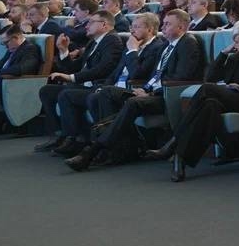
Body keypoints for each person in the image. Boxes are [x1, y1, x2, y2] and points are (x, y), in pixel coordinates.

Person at [68, 9, 207, 170]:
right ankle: (118, 149)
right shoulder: (166, 46)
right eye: (163, 23)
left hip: (167, 96)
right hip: (149, 91)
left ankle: (95, 150)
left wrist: (150, 92)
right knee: (106, 92)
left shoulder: (188, 43)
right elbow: (155, 75)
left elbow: (181, 78)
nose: (163, 27)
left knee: (133, 103)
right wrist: (145, 89)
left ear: (181, 27)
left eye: (168, 24)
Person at [145, 18, 239, 181]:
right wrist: (223, 54)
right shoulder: (234, 57)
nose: (238, 46)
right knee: (209, 106)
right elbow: (210, 77)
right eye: (236, 42)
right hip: (228, 97)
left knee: (207, 89)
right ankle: (180, 160)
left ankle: (174, 141)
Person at [34, 11, 125, 155]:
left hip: (99, 87)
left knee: (66, 94)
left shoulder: (112, 41)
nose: (86, 26)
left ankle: (74, 139)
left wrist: (71, 78)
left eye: (91, 22)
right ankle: (60, 135)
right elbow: (75, 67)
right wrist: (63, 51)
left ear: (104, 24)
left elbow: (103, 69)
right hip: (84, 85)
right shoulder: (93, 42)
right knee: (47, 91)